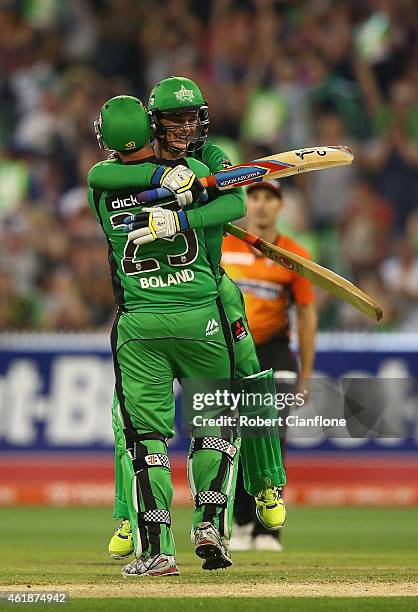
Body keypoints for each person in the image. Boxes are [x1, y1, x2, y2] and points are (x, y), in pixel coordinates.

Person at [89, 78, 287, 566]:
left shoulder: (117, 181)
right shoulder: (190, 167)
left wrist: (181, 212)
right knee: (217, 423)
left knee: (148, 438)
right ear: (152, 126)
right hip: (202, 316)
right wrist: (176, 181)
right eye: (173, 120)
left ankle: (162, 546)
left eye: (190, 117)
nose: (185, 127)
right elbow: (229, 198)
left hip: (145, 322)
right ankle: (210, 523)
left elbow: (235, 199)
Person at [222, 180, 317, 551]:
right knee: (235, 439)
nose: (261, 205)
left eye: (269, 199)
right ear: (247, 202)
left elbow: (306, 318)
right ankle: (242, 521)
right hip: (232, 352)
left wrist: (306, 374)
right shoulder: (225, 248)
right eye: (256, 197)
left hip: (276, 352)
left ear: (280, 207)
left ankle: (268, 530)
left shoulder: (293, 254)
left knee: (271, 437)